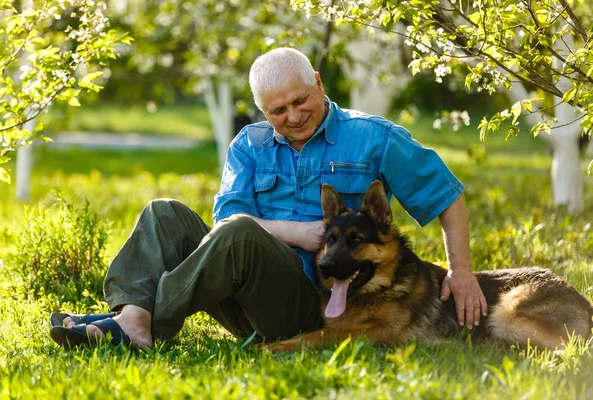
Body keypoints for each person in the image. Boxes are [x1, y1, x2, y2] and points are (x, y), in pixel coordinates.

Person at [50, 47, 487, 350]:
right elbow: (225, 222)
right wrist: (296, 232)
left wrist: (462, 272)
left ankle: (132, 324)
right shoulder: (249, 145)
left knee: (240, 232)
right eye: (278, 111)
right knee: (164, 213)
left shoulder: (374, 137)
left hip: (316, 304)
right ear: (262, 110)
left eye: (301, 101)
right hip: (244, 295)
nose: (294, 117)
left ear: (318, 83)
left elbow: (447, 196)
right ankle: (132, 317)